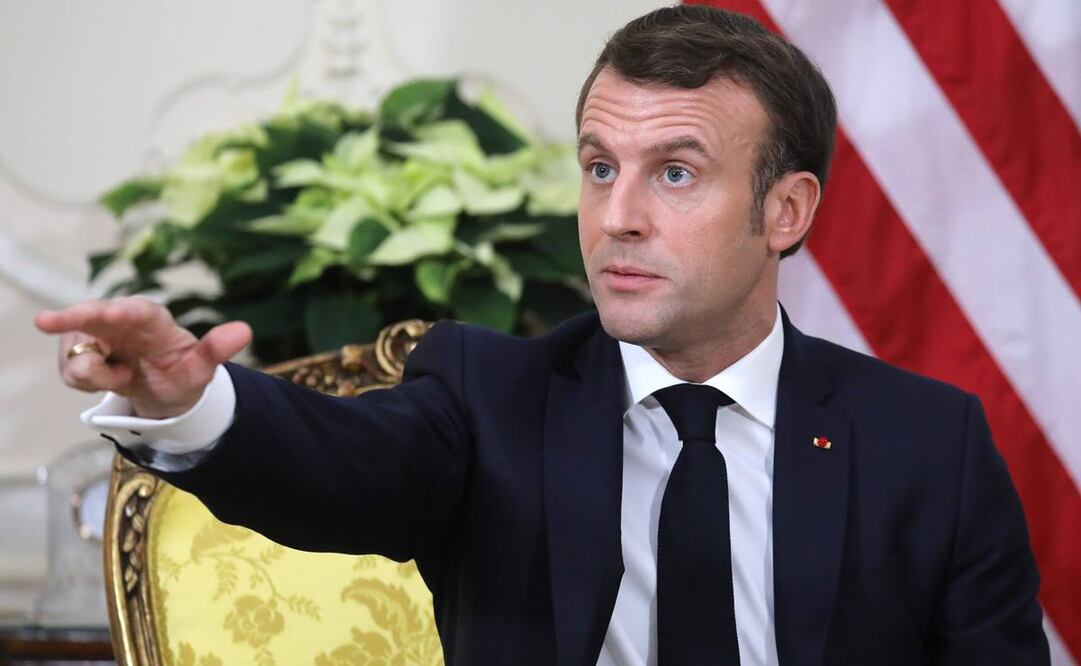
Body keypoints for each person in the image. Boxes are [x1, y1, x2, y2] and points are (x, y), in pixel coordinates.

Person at [36, 6, 1048, 665]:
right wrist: (191, 401)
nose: (618, 216)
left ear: (784, 212)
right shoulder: (490, 396)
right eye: (600, 167)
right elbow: (333, 464)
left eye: (677, 172)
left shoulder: (927, 446)